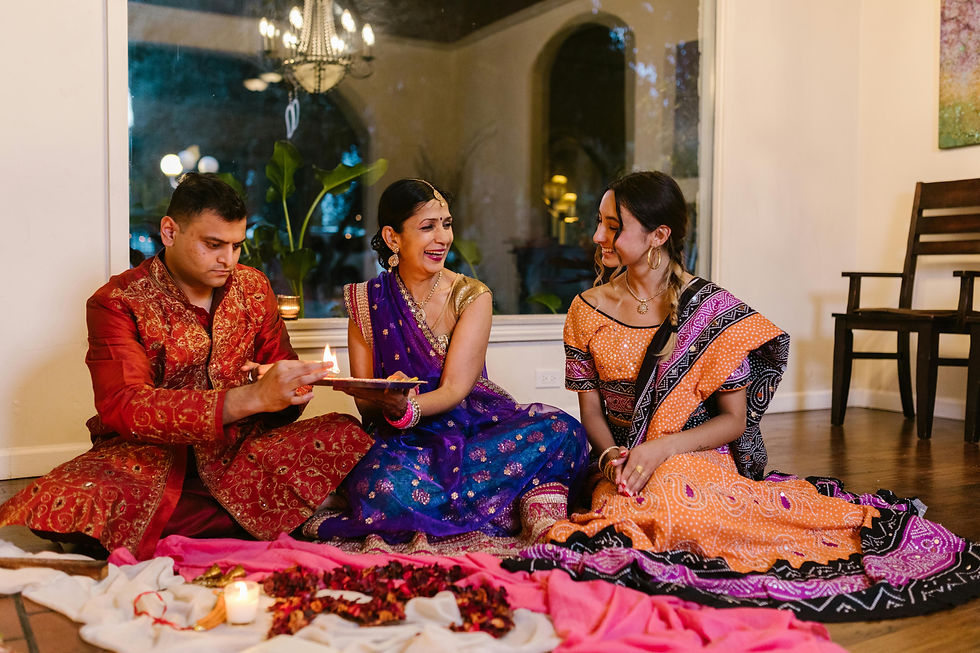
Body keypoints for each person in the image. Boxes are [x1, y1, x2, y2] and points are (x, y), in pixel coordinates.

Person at [506, 171, 980, 620]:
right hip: (622, 459)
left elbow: (733, 421)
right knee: (622, 516)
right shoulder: (585, 309)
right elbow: (590, 408)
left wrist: (660, 449)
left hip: (692, 450)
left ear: (658, 235)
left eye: (613, 227)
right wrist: (613, 456)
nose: (596, 237)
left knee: (674, 500)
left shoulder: (711, 311)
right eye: (599, 224)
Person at [0, 173, 373, 559]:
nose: (227, 259)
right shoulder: (117, 301)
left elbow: (280, 373)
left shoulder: (253, 287)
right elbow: (126, 406)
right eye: (213, 245)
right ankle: (277, 514)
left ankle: (204, 522)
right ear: (169, 231)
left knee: (345, 432)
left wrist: (289, 391)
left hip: (245, 452)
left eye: (236, 246)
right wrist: (248, 398)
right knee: (66, 498)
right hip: (149, 461)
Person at [305, 178, 588, 547]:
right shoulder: (365, 301)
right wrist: (389, 402)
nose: (443, 238)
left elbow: (456, 387)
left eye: (447, 223)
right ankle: (490, 501)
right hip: (399, 445)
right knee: (381, 480)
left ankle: (437, 503)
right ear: (393, 238)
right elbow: (365, 401)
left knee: (561, 430)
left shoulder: (471, 296)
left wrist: (409, 409)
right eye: (428, 227)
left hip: (472, 432)